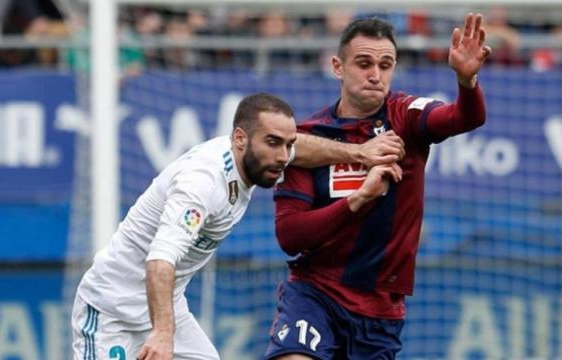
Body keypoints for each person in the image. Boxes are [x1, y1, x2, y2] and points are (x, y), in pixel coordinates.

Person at [71, 92, 405, 360]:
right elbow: (160, 259)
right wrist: (162, 334)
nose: (283, 156)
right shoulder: (203, 183)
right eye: (273, 143)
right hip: (111, 311)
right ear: (241, 138)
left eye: (287, 145)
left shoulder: (255, 157)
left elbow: (301, 147)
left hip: (164, 308)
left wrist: (360, 153)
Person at [265, 13, 491, 359]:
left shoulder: (406, 115)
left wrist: (467, 80)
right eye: (364, 63)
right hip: (316, 291)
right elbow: (290, 237)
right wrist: (359, 199)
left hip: (379, 306)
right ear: (338, 67)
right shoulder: (309, 139)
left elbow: (464, 117)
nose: (375, 74)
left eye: (385, 65)